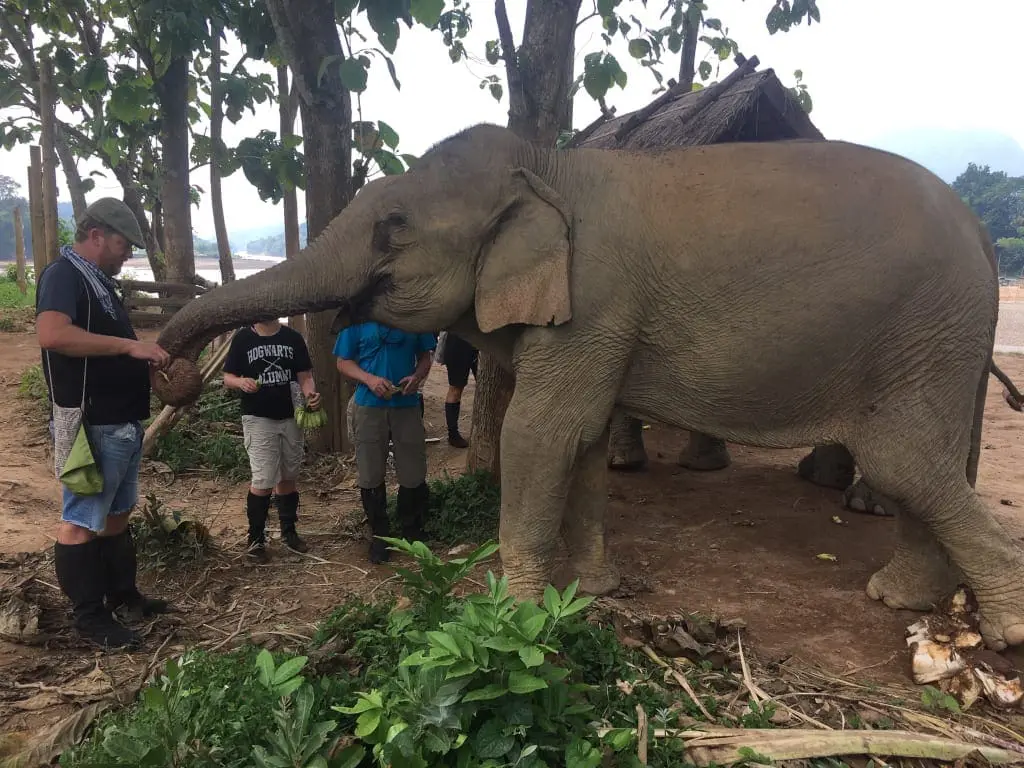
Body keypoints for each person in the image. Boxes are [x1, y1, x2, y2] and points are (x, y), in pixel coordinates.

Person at [35, 197, 171, 649]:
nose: (126, 253)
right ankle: (90, 618)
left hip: (121, 421)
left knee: (116, 514)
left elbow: (104, 345)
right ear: (96, 236)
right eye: (121, 243)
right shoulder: (64, 275)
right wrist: (129, 348)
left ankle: (123, 596)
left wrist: (141, 361)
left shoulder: (101, 284)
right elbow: (52, 335)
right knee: (81, 518)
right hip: (91, 422)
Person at [335, 322, 435, 563]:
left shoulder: (411, 314)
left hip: (406, 405)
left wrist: (418, 376)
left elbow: (425, 357)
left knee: (413, 471)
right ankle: (380, 535)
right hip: (369, 406)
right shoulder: (358, 318)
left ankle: (411, 531)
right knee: (370, 473)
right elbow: (342, 362)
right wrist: (369, 379)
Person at [222, 318, 320, 562]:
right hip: (258, 416)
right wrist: (241, 382)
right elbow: (228, 377)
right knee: (264, 478)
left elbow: (304, 375)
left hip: (291, 415)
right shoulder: (244, 338)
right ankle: (256, 540)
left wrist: (310, 394)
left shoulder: (293, 338)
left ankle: (289, 532)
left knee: (288, 476)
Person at [439, 332, 478, 448]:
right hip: (457, 342)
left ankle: (484, 430)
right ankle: (453, 434)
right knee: (455, 389)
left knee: (486, 388)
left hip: (482, 343)